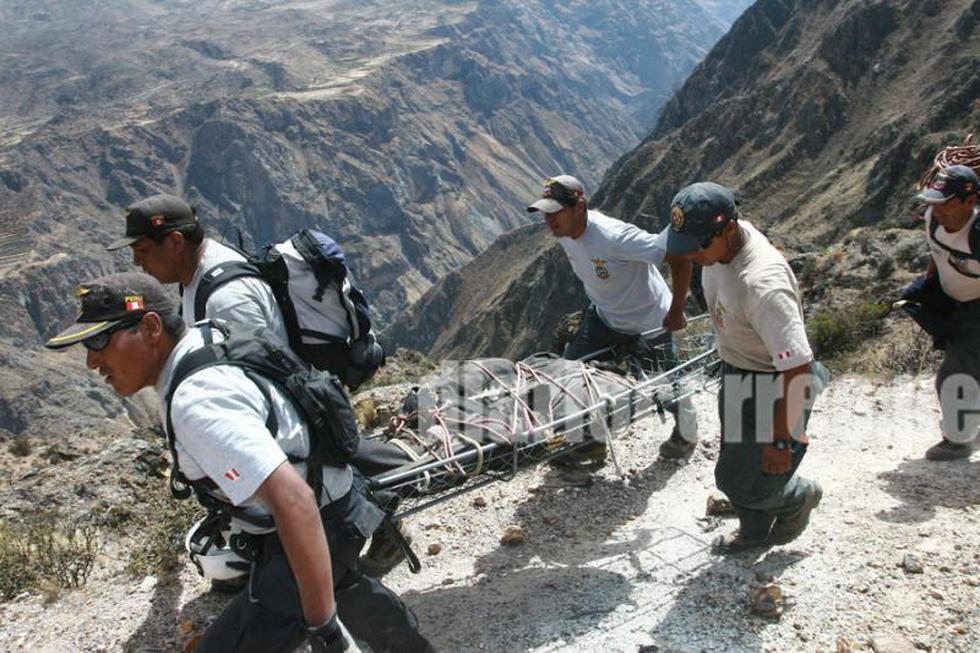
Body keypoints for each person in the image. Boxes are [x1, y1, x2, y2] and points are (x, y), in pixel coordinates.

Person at [44, 272, 434, 653]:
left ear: (149, 328)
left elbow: (293, 502)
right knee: (346, 591)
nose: (92, 362)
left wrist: (322, 625)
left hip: (313, 525)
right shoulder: (205, 340)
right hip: (338, 506)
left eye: (99, 341)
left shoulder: (197, 402)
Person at [107, 193, 410, 570]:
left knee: (322, 469)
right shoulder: (199, 273)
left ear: (174, 242)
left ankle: (377, 519)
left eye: (142, 249)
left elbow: (260, 373)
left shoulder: (225, 298)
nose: (137, 261)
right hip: (292, 402)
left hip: (288, 409)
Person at [664, 182, 827, 552]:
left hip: (774, 384)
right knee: (734, 463)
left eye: (699, 245)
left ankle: (799, 496)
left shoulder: (763, 284)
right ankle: (753, 533)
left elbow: (797, 370)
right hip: (739, 370)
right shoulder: (717, 247)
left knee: (751, 477)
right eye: (685, 245)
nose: (691, 255)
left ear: (730, 229)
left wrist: (782, 439)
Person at [527, 175, 699, 460]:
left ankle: (687, 433)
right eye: (546, 213)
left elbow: (678, 258)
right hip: (604, 318)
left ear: (579, 207)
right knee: (570, 377)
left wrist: (677, 310)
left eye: (556, 212)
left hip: (650, 323)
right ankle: (588, 443)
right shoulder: (566, 233)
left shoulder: (614, 236)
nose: (549, 220)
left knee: (666, 385)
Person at [916, 165, 980, 460]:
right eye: (934, 201)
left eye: (947, 203)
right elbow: (937, 253)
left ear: (970, 201)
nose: (938, 209)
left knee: (953, 374)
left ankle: (959, 439)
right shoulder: (932, 219)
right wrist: (929, 289)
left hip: (975, 309)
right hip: (950, 301)